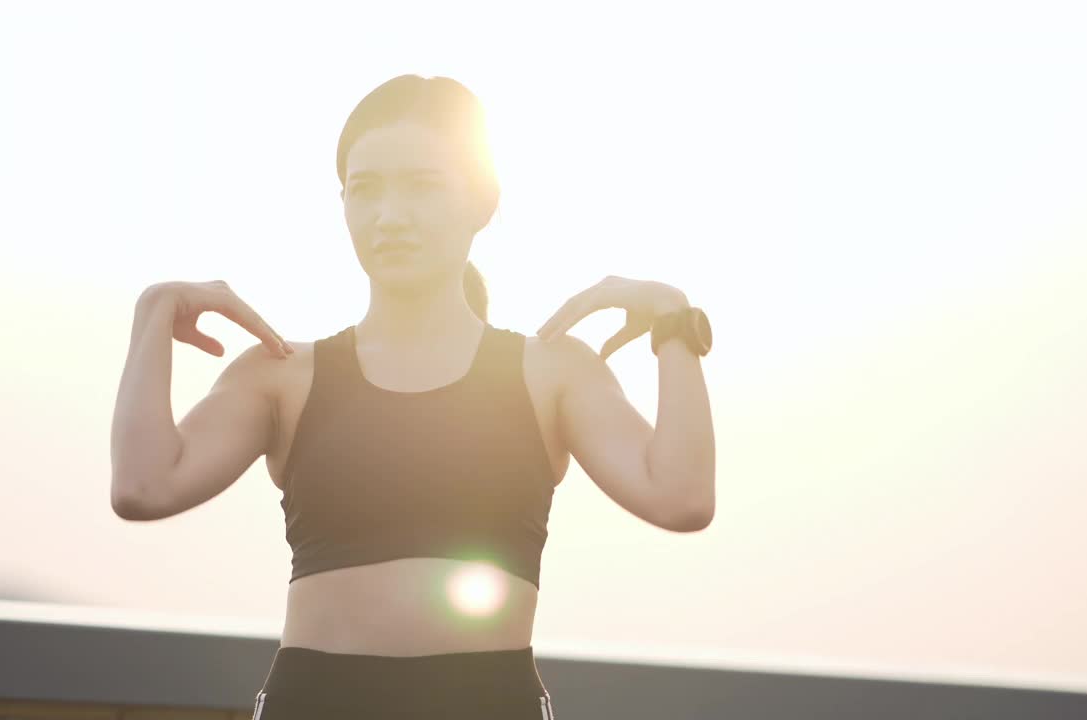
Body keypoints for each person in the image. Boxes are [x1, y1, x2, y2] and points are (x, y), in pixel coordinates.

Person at [110, 74, 716, 719]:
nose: (389, 216)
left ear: (482, 203)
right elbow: (144, 487)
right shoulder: (281, 375)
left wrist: (674, 325)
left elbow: (680, 498)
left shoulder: (552, 372)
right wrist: (154, 313)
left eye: (423, 186)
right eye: (364, 190)